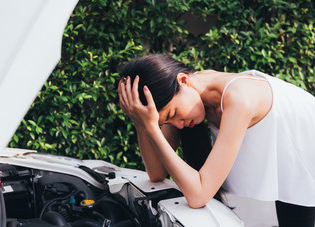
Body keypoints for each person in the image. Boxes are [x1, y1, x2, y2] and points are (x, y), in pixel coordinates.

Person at [117, 54, 315, 226]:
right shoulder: (186, 96)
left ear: (183, 81)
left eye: (173, 113)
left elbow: (199, 195)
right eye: (166, 121)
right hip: (290, 168)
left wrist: (152, 127)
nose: (177, 124)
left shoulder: (239, 99)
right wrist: (141, 122)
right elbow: (156, 173)